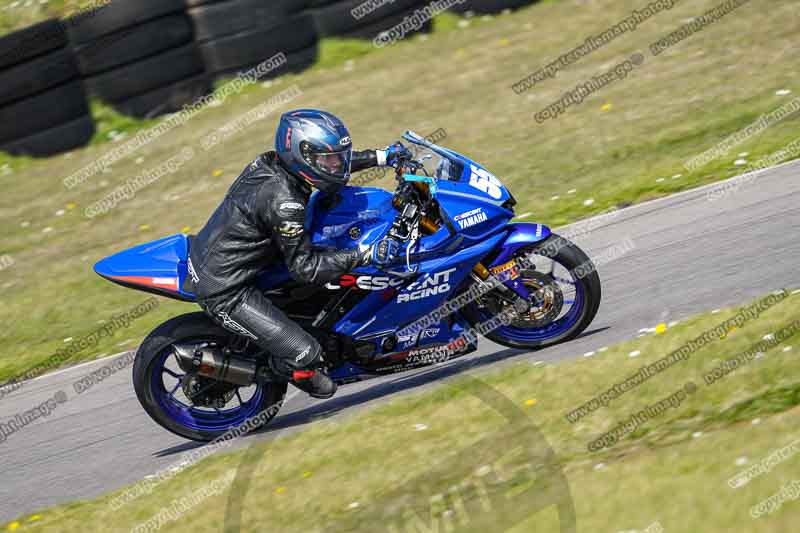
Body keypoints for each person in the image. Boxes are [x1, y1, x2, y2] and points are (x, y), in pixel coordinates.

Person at [187, 109, 410, 399]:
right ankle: (281, 369)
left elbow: (333, 167)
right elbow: (306, 269)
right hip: (227, 288)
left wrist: (382, 156)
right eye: (327, 158)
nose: (335, 164)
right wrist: (365, 254)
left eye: (337, 156)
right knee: (307, 354)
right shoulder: (284, 202)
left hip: (251, 260)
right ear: (301, 155)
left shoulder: (274, 162)